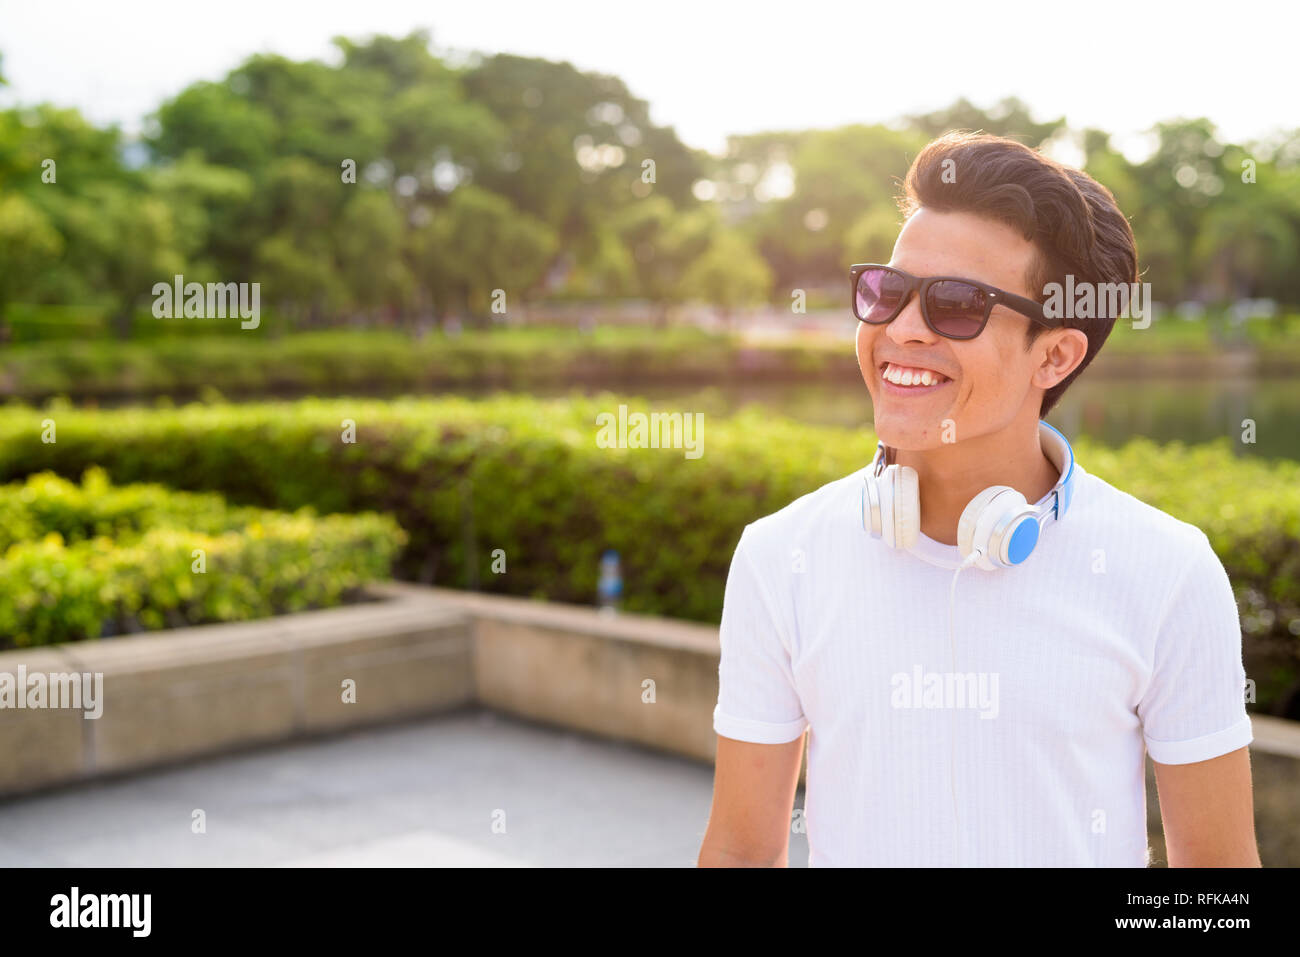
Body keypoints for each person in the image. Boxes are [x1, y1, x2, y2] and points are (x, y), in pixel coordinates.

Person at [697, 131, 1259, 868]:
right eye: (887, 292)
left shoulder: (1168, 571)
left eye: (956, 305)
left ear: (1055, 354)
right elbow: (740, 851)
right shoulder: (781, 556)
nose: (899, 331)